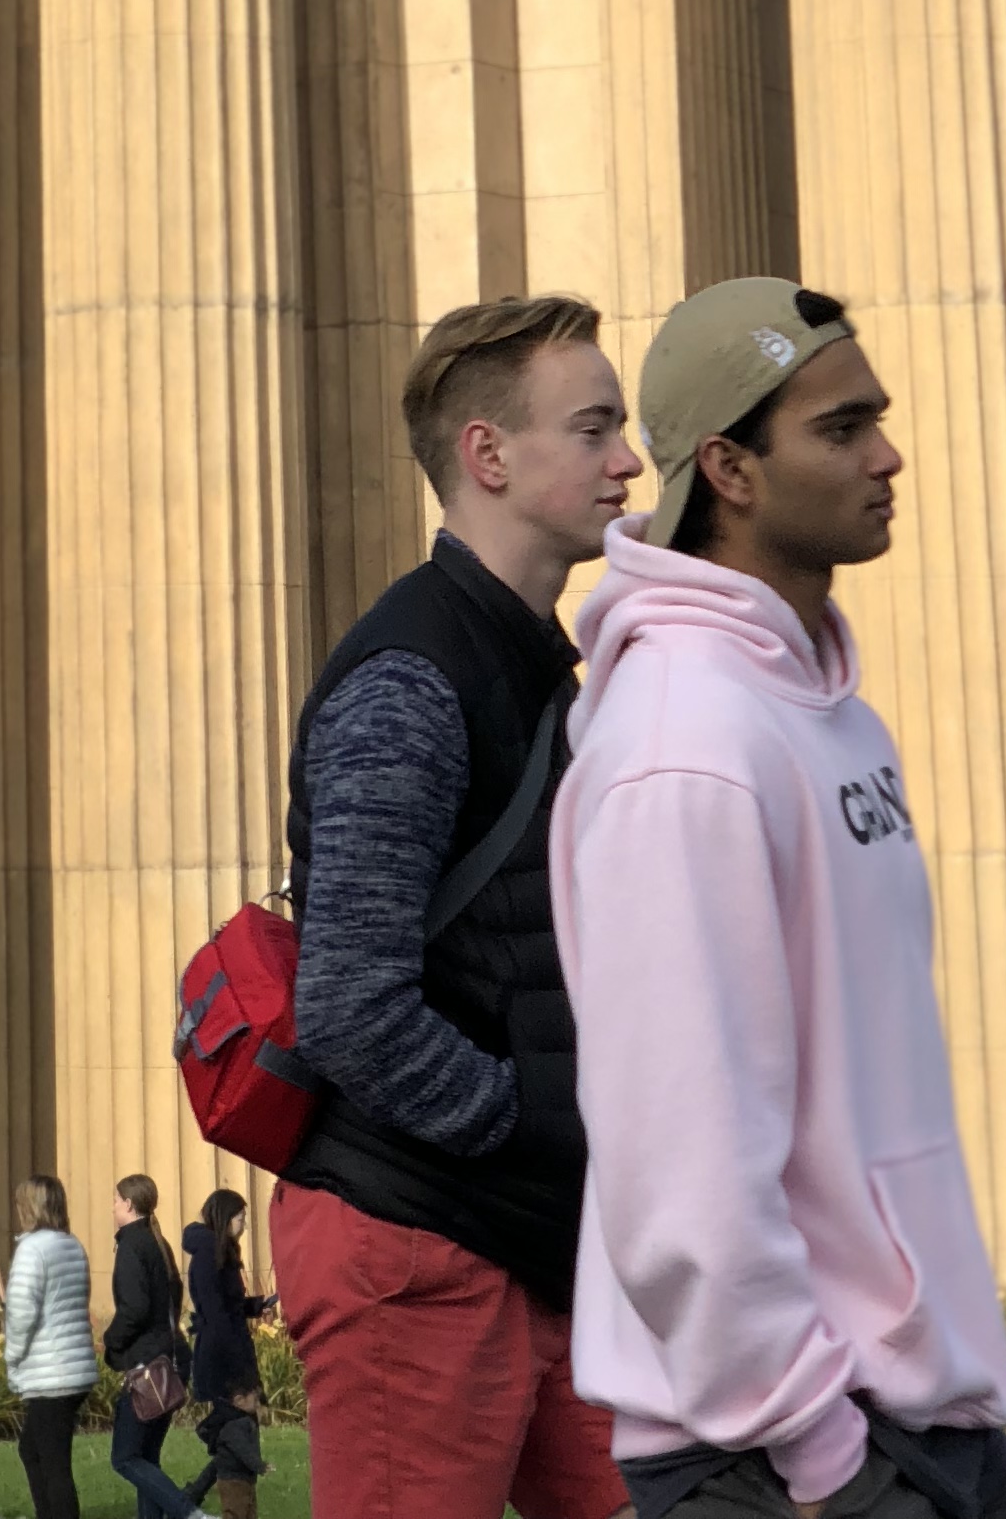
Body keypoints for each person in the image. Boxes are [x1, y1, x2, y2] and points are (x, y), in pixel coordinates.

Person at [554, 279, 1006, 1519]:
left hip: (917, 1420)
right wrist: (819, 1451)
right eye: (840, 428)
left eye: (876, 419)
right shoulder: (683, 744)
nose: (887, 456)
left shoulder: (831, 715)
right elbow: (679, 1156)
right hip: (784, 1456)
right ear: (730, 469)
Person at [273, 290, 641, 1519]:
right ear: (488, 454)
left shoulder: (538, 663)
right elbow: (350, 1006)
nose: (629, 460)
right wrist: (532, 1119)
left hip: (538, 1237)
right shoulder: (411, 678)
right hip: (416, 1244)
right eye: (593, 428)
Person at [1, 1174, 96, 1519]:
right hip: (74, 1366)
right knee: (32, 1450)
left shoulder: (32, 1249)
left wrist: (12, 1356)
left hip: (50, 1373)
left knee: (53, 1464)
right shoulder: (72, 1245)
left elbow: (21, 1312)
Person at [179, 1185, 270, 1518]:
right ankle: (223, 1502)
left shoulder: (223, 1251)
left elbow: (230, 1306)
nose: (244, 1223)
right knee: (237, 1429)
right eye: (240, 1217)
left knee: (238, 1430)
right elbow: (216, 1315)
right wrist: (239, 1373)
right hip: (222, 1357)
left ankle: (194, 1495)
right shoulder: (208, 1254)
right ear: (224, 1217)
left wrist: (256, 1305)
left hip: (231, 1349)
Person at [106, 1174, 191, 1519]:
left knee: (125, 1457)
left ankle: (189, 1512)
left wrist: (111, 1342)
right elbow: (175, 1293)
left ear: (128, 1204)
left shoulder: (131, 1245)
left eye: (115, 1200)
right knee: (147, 1457)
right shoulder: (158, 1242)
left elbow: (134, 1308)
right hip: (169, 1359)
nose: (113, 1207)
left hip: (147, 1367)